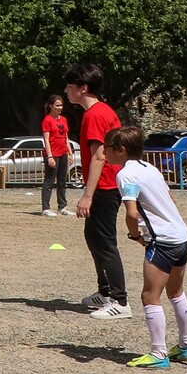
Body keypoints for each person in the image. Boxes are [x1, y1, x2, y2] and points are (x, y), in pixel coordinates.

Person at [111, 125, 187, 369]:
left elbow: (131, 212)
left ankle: (159, 353)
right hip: (181, 235)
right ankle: (186, 346)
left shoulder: (125, 175)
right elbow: (171, 199)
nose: (105, 153)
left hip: (163, 241)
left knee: (150, 295)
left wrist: (135, 235)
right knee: (176, 292)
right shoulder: (151, 168)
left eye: (109, 148)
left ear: (121, 150)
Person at [64, 62, 128, 319]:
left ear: (83, 88)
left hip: (105, 186)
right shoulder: (104, 111)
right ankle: (105, 292)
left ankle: (120, 300)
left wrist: (87, 195)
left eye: (70, 87)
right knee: (94, 237)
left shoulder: (93, 116)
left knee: (105, 242)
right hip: (109, 185)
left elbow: (99, 157)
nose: (67, 92)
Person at [39, 94, 72, 216]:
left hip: (63, 152)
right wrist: (49, 156)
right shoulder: (47, 120)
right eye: (57, 105)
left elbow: (66, 138)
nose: (59, 107)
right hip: (53, 153)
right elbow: (46, 140)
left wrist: (69, 153)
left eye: (61, 105)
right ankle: (46, 208)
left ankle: (62, 206)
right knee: (49, 181)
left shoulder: (63, 119)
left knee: (62, 181)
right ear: (51, 106)